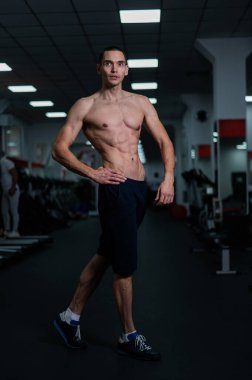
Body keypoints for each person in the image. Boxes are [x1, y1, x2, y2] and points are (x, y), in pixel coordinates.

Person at [52, 46, 175, 361]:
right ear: (99, 69)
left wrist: (169, 178)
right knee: (124, 266)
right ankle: (128, 335)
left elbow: (163, 140)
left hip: (138, 189)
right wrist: (93, 173)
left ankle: (70, 318)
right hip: (115, 189)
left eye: (120, 64)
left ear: (127, 69)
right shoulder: (86, 106)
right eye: (108, 64)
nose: (114, 69)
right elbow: (59, 149)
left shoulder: (140, 103)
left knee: (108, 253)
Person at [0, 150, 20, 238]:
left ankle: (15, 231)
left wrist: (12, 188)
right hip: (5, 191)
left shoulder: (7, 162)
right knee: (4, 211)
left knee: (13, 211)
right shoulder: (1, 163)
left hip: (13, 190)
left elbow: (15, 175)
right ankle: (7, 230)